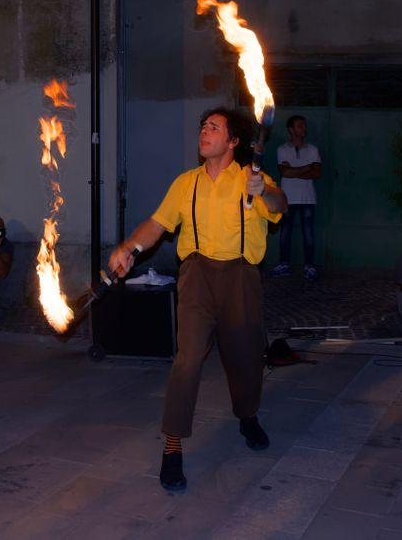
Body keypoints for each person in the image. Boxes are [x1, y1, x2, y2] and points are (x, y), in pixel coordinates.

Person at [108, 107, 286, 492]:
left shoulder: (252, 177)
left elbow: (279, 206)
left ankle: (247, 415)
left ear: (234, 141)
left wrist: (265, 191)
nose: (204, 132)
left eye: (214, 128)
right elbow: (157, 224)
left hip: (240, 276)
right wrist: (129, 248)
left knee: (246, 357)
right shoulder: (185, 183)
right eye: (203, 126)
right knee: (187, 360)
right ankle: (172, 446)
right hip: (197, 277)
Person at [271, 115, 322, 281]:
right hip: (288, 198)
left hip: (308, 198)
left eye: (304, 126)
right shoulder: (282, 149)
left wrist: (294, 171)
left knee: (308, 234)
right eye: (300, 126)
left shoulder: (313, 149)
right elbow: (285, 173)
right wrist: (307, 167)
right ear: (291, 130)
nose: (304, 129)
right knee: (285, 232)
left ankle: (309, 266)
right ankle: (284, 264)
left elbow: (317, 173)